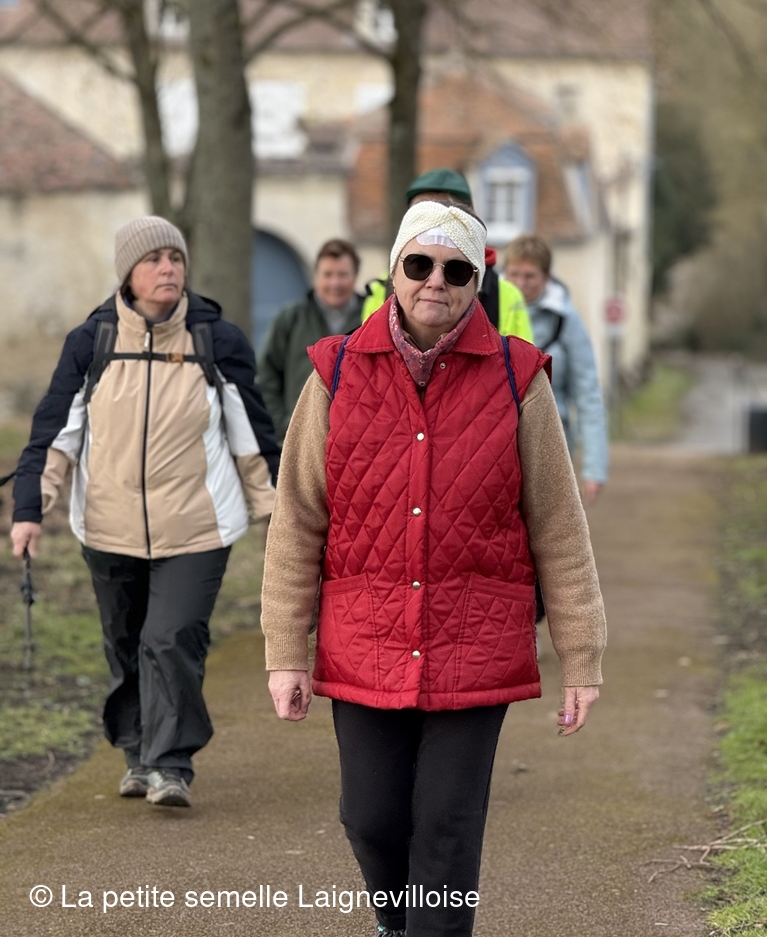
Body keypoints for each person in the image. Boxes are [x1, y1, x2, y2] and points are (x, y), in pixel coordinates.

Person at [260, 201, 606, 937]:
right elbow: (297, 519)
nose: (435, 282)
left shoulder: (517, 376)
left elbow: (558, 525)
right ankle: (399, 923)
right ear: (394, 272)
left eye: (456, 270)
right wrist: (285, 652)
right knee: (371, 818)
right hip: (366, 635)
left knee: (447, 826)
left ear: (476, 282)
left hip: (474, 641)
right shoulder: (335, 373)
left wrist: (581, 656)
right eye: (419, 264)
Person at [10, 215, 280, 809]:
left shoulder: (216, 340)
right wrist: (30, 508)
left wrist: (276, 516)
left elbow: (252, 438)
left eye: (175, 258)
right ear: (127, 273)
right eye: (153, 259)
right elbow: (55, 436)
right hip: (108, 525)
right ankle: (138, 752)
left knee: (172, 637)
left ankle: (170, 763)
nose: (168, 268)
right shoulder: (93, 342)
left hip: (199, 525)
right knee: (126, 641)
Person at [361, 167, 533, 342]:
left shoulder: (505, 295)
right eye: (424, 212)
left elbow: (520, 354)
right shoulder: (380, 289)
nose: (436, 282)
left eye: (457, 271)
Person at [504, 233, 608, 503]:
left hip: (553, 445)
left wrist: (594, 467)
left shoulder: (566, 321)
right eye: (514, 274)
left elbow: (587, 394)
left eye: (529, 276)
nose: (520, 283)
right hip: (500, 442)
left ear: (546, 277)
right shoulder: (488, 311)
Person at [259, 238, 363, 444]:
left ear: (355, 276)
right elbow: (266, 376)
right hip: (300, 440)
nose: (335, 283)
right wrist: (284, 426)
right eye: (328, 274)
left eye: (342, 274)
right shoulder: (290, 319)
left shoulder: (371, 320)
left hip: (357, 442)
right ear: (316, 276)